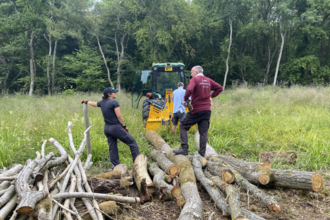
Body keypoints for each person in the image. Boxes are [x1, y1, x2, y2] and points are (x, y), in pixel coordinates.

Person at [81, 87, 140, 167]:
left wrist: (86, 101)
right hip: (116, 128)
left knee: (112, 148)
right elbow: (119, 116)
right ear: (109, 94)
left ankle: (115, 167)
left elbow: (94, 104)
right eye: (114, 92)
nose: (116, 93)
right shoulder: (114, 102)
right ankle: (138, 165)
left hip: (107, 129)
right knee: (132, 142)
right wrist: (124, 126)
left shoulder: (102, 102)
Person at [173, 66, 223, 157]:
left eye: (192, 72)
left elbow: (188, 90)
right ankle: (202, 154)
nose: (191, 74)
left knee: (183, 125)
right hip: (207, 110)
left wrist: (185, 99)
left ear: (196, 72)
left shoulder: (195, 80)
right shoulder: (208, 80)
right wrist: (211, 96)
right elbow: (220, 88)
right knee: (203, 132)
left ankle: (184, 148)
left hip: (196, 109)